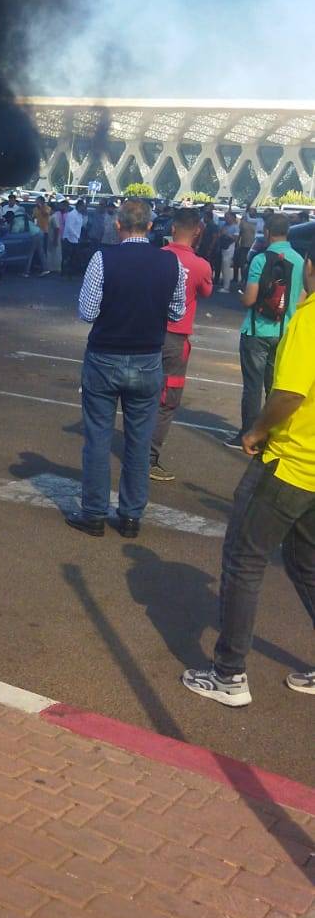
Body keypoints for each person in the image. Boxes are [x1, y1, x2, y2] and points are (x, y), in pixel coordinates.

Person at [183, 243, 315, 705]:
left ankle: (229, 674)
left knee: (244, 559)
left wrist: (258, 429)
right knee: (306, 565)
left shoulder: (309, 319)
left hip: (289, 463)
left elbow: (290, 394)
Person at [66, 198, 186, 538]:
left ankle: (93, 513)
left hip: (105, 356)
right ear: (150, 226)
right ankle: (131, 515)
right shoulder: (169, 263)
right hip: (148, 359)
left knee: (98, 439)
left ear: (118, 225)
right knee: (138, 441)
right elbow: (177, 313)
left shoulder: (103, 258)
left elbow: (87, 312)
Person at [224, 212, 305, 451]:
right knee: (274, 384)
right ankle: (269, 434)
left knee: (252, 385)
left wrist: (242, 297)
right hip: (284, 331)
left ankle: (247, 432)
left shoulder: (260, 259)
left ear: (268, 232)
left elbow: (250, 299)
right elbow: (300, 300)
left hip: (257, 330)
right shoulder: (300, 261)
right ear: (287, 233)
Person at [148, 209, 213, 482]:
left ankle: (137, 446)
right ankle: (149, 457)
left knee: (142, 392)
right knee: (167, 399)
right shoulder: (200, 265)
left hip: (148, 333)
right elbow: (206, 292)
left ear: (173, 227)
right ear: (197, 230)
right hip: (176, 338)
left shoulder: (156, 257)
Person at [235, 204, 257, 286]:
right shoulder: (243, 221)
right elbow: (239, 232)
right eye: (250, 211)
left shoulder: (257, 222)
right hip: (244, 245)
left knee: (252, 264)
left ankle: (250, 280)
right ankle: (243, 279)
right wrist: (237, 243)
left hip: (254, 246)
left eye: (253, 212)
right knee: (242, 263)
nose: (251, 213)